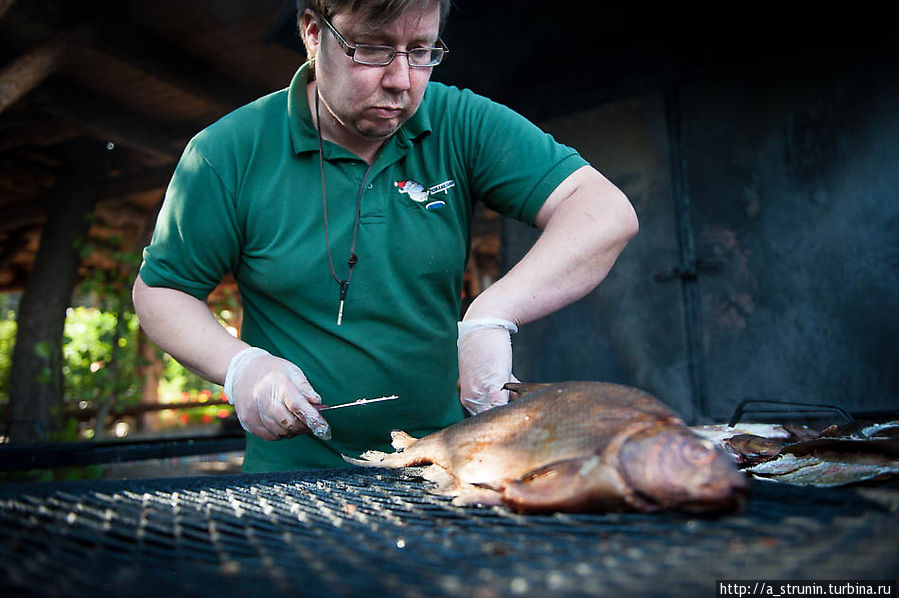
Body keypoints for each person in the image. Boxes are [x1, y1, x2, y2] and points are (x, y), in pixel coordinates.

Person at [132, 0, 638, 472]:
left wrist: (491, 315)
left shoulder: (458, 121)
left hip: (440, 465)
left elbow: (603, 211)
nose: (401, 80)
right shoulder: (228, 151)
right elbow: (162, 290)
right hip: (289, 478)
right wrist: (240, 366)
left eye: (421, 51)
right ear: (313, 32)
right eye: (371, 50)